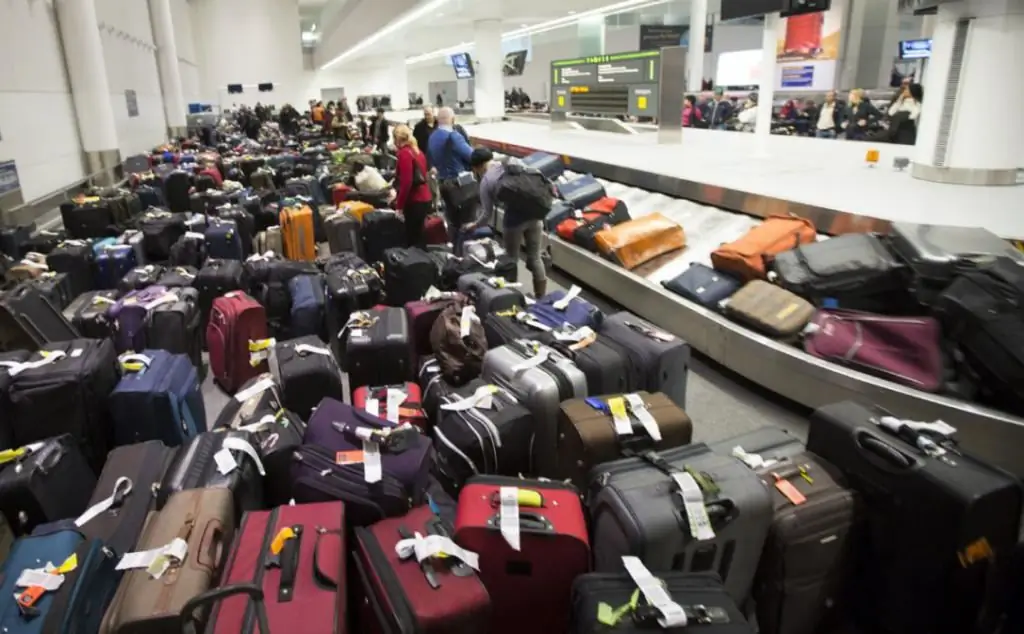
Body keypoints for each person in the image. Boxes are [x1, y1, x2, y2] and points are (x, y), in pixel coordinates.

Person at [469, 148, 546, 298]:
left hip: (514, 221)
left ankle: (511, 294)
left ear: (477, 167)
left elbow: (486, 214)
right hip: (535, 215)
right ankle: (541, 297)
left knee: (511, 259)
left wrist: (474, 225)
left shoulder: (486, 181)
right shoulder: (511, 163)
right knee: (535, 257)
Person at [428, 106, 475, 250]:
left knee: (452, 221)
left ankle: (455, 253)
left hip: (442, 183)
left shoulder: (433, 136)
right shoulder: (454, 136)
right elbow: (472, 156)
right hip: (459, 184)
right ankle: (466, 253)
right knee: (467, 222)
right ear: (453, 119)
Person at [392, 124, 434, 247]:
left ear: (397, 139)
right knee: (420, 237)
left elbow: (406, 182)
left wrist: (399, 207)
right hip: (425, 198)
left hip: (414, 201)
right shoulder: (418, 151)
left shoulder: (404, 153)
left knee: (412, 239)